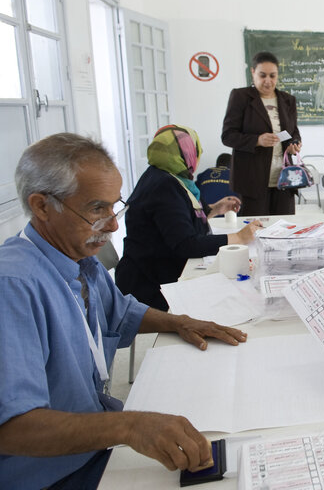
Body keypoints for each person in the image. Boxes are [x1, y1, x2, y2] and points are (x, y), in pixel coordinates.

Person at [0, 133, 248, 489]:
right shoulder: (14, 286)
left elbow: (122, 312)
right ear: (41, 206)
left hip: (98, 444)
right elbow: (13, 427)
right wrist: (129, 426)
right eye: (96, 209)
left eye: (115, 206)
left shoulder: (79, 259)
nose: (114, 224)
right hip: (55, 474)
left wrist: (179, 321)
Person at [116, 125, 260, 311]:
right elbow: (186, 244)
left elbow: (173, 222)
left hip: (154, 271)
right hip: (151, 285)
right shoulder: (165, 186)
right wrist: (239, 238)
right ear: (188, 153)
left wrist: (214, 209)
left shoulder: (163, 176)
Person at [221, 51, 302, 216]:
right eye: (262, 75)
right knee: (255, 230)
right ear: (253, 72)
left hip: (284, 179)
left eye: (272, 76)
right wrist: (257, 140)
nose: (268, 81)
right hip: (252, 180)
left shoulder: (288, 100)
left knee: (284, 229)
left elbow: (293, 132)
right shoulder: (241, 96)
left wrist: (294, 144)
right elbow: (228, 136)